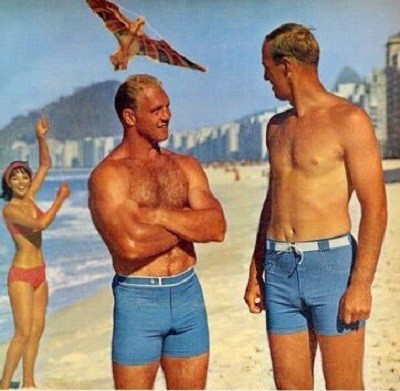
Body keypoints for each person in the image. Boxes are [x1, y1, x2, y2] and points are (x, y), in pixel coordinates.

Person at [244, 23, 387, 390]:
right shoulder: (275, 127)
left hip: (331, 267)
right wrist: (255, 265)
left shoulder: (349, 121)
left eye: (267, 66)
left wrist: (361, 284)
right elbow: (273, 200)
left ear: (287, 65)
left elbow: (376, 208)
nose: (264, 76)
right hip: (278, 268)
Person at [88, 74, 226, 390]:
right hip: (138, 300)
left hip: (188, 294)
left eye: (167, 107)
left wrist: (160, 215)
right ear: (130, 117)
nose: (167, 115)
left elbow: (217, 227)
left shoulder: (185, 165)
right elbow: (130, 246)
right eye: (156, 110)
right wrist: (190, 223)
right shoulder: (109, 175)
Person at [0, 118, 70, 389]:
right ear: (8, 184)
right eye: (14, 177)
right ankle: (5, 385)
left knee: (37, 332)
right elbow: (41, 224)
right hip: (20, 276)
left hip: (40, 273)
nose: (21, 180)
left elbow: (45, 165)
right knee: (22, 332)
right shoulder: (11, 210)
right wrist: (60, 200)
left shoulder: (29, 197)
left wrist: (40, 137)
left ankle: (29, 382)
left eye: (24, 176)